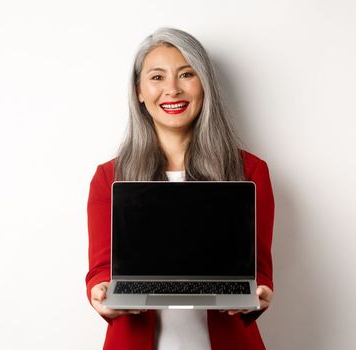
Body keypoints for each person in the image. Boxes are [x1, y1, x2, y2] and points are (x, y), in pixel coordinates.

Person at [85, 27, 275, 349]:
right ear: (139, 92)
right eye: (157, 77)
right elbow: (102, 270)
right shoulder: (109, 176)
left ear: (205, 85)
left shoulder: (250, 171)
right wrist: (101, 293)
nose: (172, 90)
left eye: (186, 74)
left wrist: (259, 293)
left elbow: (258, 272)